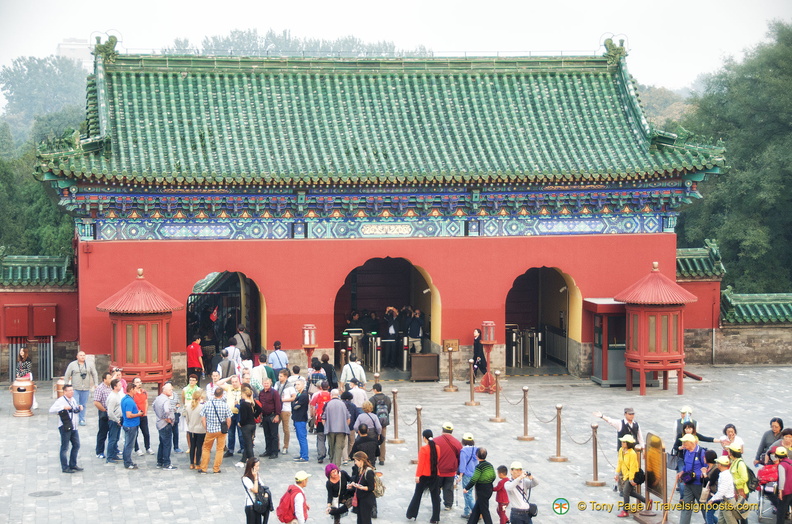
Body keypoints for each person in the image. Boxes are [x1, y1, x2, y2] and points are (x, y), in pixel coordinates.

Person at [406, 429, 442, 523]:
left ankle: (411, 514)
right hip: (435, 475)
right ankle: (435, 518)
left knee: (417, 494)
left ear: (424, 438)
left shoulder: (423, 449)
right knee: (435, 497)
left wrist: (417, 476)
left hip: (424, 475)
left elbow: (421, 464)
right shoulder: (437, 447)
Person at [49, 384, 84, 473]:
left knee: (76, 445)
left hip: (74, 427)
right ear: (65, 392)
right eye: (69, 390)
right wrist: (63, 408)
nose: (72, 392)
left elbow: (74, 410)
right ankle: (65, 467)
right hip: (65, 426)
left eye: (72, 390)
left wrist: (79, 408)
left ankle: (73, 464)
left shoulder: (73, 400)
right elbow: (51, 410)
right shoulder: (60, 401)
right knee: (65, 447)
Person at [199, 386, 232, 474]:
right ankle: (216, 468)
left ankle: (204, 468)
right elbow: (229, 419)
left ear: (214, 394)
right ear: (222, 395)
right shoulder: (225, 405)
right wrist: (227, 428)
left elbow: (203, 418)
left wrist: (206, 427)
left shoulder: (207, 404)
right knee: (220, 449)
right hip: (221, 430)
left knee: (206, 448)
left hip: (210, 430)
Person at [677, 434, 707, 524]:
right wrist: (682, 472)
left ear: (691, 443)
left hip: (698, 484)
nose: (683, 444)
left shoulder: (701, 452)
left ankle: (712, 522)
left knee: (704, 508)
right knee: (686, 507)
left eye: (685, 442)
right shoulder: (686, 451)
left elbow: (706, 466)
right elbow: (686, 465)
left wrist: (703, 473)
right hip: (688, 482)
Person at [63, 351, 99, 426]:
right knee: (75, 403)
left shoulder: (90, 364)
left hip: (86, 388)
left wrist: (96, 384)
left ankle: (82, 419)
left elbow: (94, 374)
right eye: (80, 355)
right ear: (77, 356)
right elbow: (67, 375)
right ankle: (73, 419)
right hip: (75, 387)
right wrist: (66, 385)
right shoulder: (72, 364)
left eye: (83, 355)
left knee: (83, 404)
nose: (82, 357)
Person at [615, 434, 646, 517]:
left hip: (631, 475)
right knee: (630, 492)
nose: (622, 443)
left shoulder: (632, 453)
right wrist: (617, 473)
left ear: (628, 443)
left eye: (624, 442)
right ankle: (646, 501)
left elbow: (632, 467)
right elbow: (619, 462)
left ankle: (625, 511)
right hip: (625, 475)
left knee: (625, 492)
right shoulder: (621, 450)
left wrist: (631, 479)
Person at [434, 422, 462, 511]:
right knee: (448, 487)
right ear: (452, 431)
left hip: (438, 470)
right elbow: (459, 456)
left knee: (436, 487)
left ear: (442, 430)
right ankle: (448, 505)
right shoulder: (457, 443)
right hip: (450, 471)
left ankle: (436, 501)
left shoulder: (435, 441)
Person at [464, 446, 495, 524]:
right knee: (477, 509)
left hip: (482, 491)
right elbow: (493, 476)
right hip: (489, 489)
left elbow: (474, 479)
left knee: (485, 511)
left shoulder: (479, 467)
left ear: (477, 456)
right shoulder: (489, 465)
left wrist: (466, 488)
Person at [152, 382, 178, 470]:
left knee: (162, 443)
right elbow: (167, 411)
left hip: (159, 423)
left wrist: (159, 415)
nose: (172, 391)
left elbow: (153, 406)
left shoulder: (158, 398)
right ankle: (166, 463)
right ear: (165, 390)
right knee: (167, 444)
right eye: (170, 390)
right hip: (165, 424)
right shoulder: (166, 400)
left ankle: (160, 461)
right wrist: (168, 419)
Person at [324, 389, 351, 467]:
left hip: (330, 429)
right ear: (338, 394)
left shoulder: (328, 404)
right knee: (339, 448)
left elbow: (324, 418)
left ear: (331, 395)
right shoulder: (342, 404)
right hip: (341, 429)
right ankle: (337, 465)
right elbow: (348, 418)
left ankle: (332, 463)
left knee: (331, 447)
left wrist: (326, 427)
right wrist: (346, 426)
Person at [242, 457, 273, 524]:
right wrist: (255, 478)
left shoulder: (257, 476)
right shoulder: (245, 479)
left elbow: (262, 486)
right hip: (250, 506)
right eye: (257, 466)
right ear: (251, 467)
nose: (258, 468)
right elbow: (255, 490)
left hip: (258, 505)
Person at [708, 456, 739, 524]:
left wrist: (712, 499)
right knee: (721, 521)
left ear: (720, 465)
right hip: (725, 501)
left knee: (731, 521)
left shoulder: (724, 476)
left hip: (727, 501)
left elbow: (721, 491)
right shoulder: (726, 473)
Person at [349, 451, 377, 524]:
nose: (355, 462)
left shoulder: (369, 472)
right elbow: (358, 480)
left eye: (356, 460)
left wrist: (361, 487)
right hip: (360, 499)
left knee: (365, 520)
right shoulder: (360, 469)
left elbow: (371, 488)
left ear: (361, 460)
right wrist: (353, 484)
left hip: (367, 500)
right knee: (360, 520)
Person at [258, 378, 282, 459]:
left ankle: (274, 452)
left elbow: (278, 404)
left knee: (274, 435)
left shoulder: (274, 393)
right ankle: (268, 450)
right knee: (266, 434)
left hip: (272, 415)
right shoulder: (261, 393)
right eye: (264, 383)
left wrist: (277, 415)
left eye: (267, 383)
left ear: (270, 383)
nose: (266, 384)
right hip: (264, 416)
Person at [121, 382, 143, 470]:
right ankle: (128, 463)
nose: (136, 390)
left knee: (127, 444)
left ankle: (126, 460)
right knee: (129, 445)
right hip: (131, 425)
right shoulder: (129, 401)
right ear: (131, 390)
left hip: (128, 425)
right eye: (135, 389)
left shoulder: (124, 399)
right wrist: (139, 414)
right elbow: (129, 415)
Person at [369, 384, 391, 465]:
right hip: (384, 422)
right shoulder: (387, 399)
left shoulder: (372, 399)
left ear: (374, 390)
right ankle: (382, 459)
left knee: (374, 440)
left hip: (374, 423)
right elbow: (389, 410)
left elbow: (370, 410)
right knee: (382, 440)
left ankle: (374, 457)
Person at [184, 387, 206, 469]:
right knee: (199, 447)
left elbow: (187, 419)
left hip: (191, 429)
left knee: (192, 446)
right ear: (200, 398)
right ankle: (197, 463)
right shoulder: (202, 407)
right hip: (200, 430)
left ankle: (191, 463)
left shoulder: (188, 406)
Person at [458, 433, 478, 519]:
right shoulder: (476, 450)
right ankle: (466, 511)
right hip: (476, 474)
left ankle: (476, 512)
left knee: (467, 494)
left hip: (467, 475)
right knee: (469, 493)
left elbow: (462, 465)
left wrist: (460, 476)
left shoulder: (463, 451)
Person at [276, 368, 296, 456]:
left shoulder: (290, 386)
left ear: (286, 377)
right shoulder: (277, 384)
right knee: (274, 427)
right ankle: (277, 445)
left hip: (286, 408)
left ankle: (285, 446)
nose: (279, 378)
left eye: (281, 376)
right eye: (279, 376)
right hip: (277, 408)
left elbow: (293, 397)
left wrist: (283, 400)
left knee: (285, 428)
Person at [224, 374, 245, 458]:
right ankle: (230, 450)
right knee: (231, 433)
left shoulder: (243, 388)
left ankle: (243, 449)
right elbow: (219, 383)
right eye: (232, 382)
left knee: (240, 433)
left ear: (239, 381)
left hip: (239, 413)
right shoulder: (229, 387)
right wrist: (229, 377)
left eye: (236, 381)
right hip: (230, 413)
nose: (234, 383)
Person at [310, 381, 332, 463]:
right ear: (328, 387)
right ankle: (331, 454)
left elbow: (312, 406)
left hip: (319, 419)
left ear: (321, 387)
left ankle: (321, 455)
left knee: (320, 438)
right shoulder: (331, 395)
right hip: (330, 420)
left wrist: (312, 415)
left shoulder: (317, 395)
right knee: (331, 438)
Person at [93, 371, 113, 459]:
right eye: (109, 378)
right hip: (104, 412)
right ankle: (99, 451)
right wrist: (104, 410)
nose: (111, 379)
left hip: (112, 412)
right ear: (104, 379)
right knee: (102, 433)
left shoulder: (111, 387)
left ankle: (113, 450)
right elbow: (96, 402)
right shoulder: (100, 388)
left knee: (113, 433)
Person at [132, 376, 153, 455]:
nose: (139, 384)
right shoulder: (133, 394)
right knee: (135, 433)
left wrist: (146, 412)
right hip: (136, 415)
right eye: (137, 382)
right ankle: (137, 448)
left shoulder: (144, 392)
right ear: (133, 384)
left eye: (140, 382)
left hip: (143, 415)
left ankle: (148, 447)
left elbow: (146, 402)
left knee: (146, 432)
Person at [105, 378, 124, 463]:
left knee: (116, 438)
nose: (121, 386)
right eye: (119, 385)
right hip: (114, 420)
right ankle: (110, 456)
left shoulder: (117, 394)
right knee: (112, 439)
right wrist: (117, 420)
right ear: (115, 386)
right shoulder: (112, 397)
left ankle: (114, 454)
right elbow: (110, 412)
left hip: (118, 419)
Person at [292, 379, 310, 463]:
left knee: (302, 438)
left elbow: (296, 406)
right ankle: (302, 454)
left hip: (301, 419)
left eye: (298, 384)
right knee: (299, 438)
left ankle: (305, 456)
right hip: (297, 418)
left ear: (303, 385)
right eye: (296, 384)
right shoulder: (299, 394)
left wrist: (295, 403)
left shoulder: (303, 395)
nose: (296, 386)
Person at [777, 447, 792, 524]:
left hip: (787, 490)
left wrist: (780, 491)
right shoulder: (791, 462)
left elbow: (782, 479)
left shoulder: (782, 465)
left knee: (781, 510)